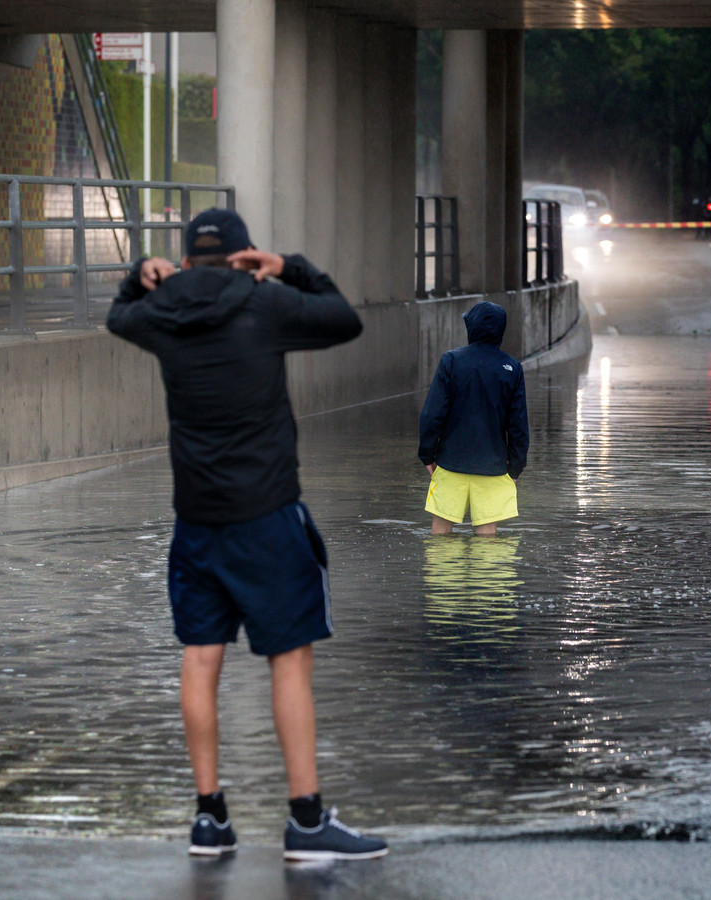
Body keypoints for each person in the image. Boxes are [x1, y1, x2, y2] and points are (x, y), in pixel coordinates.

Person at [106, 209, 387, 862]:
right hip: (265, 516)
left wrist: (137, 278)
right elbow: (345, 317)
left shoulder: (160, 315)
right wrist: (288, 267)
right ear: (243, 256)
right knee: (288, 660)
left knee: (201, 660)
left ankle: (209, 819)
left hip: (196, 522)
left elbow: (119, 317)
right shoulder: (266, 305)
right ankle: (307, 823)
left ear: (183, 262)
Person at [418, 301, 529, 536]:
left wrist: (427, 455)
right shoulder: (512, 368)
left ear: (473, 327)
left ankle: (444, 572)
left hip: (450, 463)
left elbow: (432, 414)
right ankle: (484, 573)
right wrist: (515, 468)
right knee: (488, 538)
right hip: (494, 467)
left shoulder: (451, 361)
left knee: (441, 532)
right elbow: (518, 426)